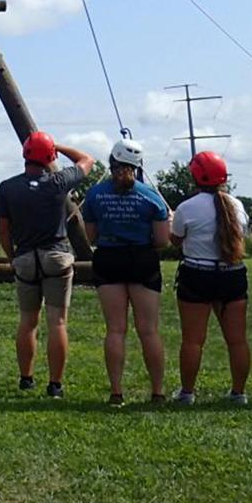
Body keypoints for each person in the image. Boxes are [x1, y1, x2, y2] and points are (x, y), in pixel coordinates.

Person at [0, 130, 96, 398]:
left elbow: (3, 230)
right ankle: (55, 384)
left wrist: (11, 256)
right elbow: (87, 160)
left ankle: (26, 378)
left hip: (26, 257)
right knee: (57, 322)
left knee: (28, 321)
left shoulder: (8, 187)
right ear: (49, 156)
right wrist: (56, 147)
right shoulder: (59, 182)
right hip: (56, 255)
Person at [79, 136, 171, 406]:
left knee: (116, 330)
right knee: (149, 331)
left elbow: (91, 237)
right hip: (142, 260)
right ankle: (157, 392)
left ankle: (117, 392)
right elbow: (163, 241)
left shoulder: (95, 195)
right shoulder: (151, 197)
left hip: (108, 259)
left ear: (112, 162)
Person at [169, 150, 251, 405]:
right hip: (232, 275)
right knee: (237, 340)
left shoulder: (186, 207)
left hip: (197, 274)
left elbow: (176, 240)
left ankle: (187, 393)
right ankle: (239, 393)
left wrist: (173, 221)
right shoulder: (236, 205)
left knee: (193, 340)